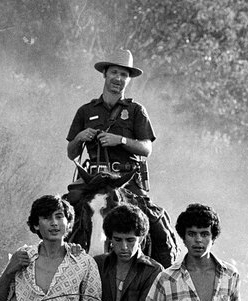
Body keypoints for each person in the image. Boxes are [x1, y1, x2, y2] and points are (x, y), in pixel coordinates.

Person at [66, 49, 177, 268]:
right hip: (92, 180)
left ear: (128, 79)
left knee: (156, 225)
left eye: (124, 75)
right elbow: (71, 152)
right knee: (59, 213)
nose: (118, 78)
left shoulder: (136, 111)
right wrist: (80, 137)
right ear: (105, 74)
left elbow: (146, 148)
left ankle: (163, 273)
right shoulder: (85, 111)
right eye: (114, 73)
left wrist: (121, 140)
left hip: (126, 182)